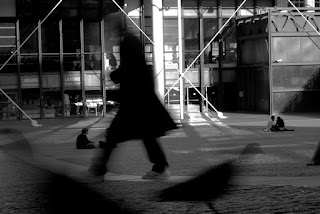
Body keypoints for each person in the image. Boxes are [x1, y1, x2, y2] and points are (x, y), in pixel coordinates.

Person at [88, 30, 177, 180]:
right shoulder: (138, 55)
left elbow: (124, 72)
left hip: (132, 107)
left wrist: (112, 75)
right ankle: (160, 167)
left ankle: (98, 170)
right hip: (142, 106)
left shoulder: (128, 55)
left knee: (113, 137)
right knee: (147, 136)